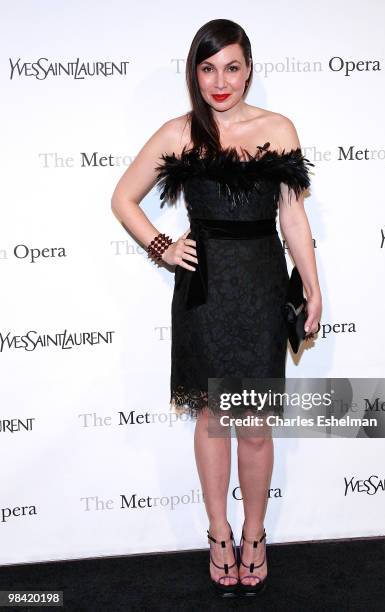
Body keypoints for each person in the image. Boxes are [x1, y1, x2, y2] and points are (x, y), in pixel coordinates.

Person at [111, 18, 322, 598]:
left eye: (231, 66)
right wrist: (162, 247)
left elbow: (293, 217)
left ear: (249, 68)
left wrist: (312, 283)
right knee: (212, 419)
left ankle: (256, 536)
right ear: (194, 73)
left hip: (259, 287)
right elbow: (123, 199)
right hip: (203, 295)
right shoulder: (180, 133)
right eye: (208, 68)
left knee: (252, 424)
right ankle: (220, 535)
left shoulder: (278, 130)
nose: (220, 81)